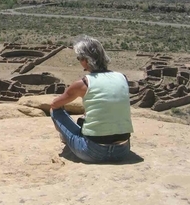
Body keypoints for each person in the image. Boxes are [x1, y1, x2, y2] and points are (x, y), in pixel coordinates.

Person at [50, 35, 133, 163]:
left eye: (79, 58)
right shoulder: (122, 77)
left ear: (86, 60)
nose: (79, 61)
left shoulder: (83, 83)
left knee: (55, 110)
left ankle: (66, 139)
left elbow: (55, 104)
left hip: (93, 152)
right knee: (85, 118)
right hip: (122, 151)